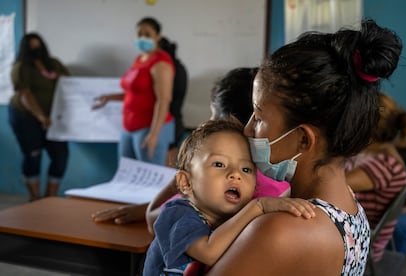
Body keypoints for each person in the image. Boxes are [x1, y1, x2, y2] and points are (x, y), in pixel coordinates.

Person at [207, 19, 402, 275]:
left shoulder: (280, 231)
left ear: (303, 139)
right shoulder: (349, 205)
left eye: (259, 117)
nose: (247, 129)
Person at [91, 67, 277, 226]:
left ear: (230, 123)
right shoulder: (268, 177)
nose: (207, 123)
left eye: (212, 117)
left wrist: (182, 178)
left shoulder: (224, 187)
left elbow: (153, 217)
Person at [143, 119, 315, 275]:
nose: (235, 174)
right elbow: (208, 253)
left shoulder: (233, 220)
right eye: (219, 164)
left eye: (246, 169)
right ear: (186, 182)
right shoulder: (177, 214)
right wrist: (259, 206)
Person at [92, 17, 175, 166]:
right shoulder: (139, 59)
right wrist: (109, 98)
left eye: (147, 34)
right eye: (139, 34)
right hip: (129, 126)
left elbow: (164, 99)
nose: (142, 38)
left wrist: (154, 134)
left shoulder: (161, 62)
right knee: (127, 173)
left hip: (149, 127)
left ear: (158, 36)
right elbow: (134, 93)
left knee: (149, 177)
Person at [345, 92, 406, 262]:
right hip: (354, 233)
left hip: (359, 244)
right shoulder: (379, 154)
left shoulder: (384, 166)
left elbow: (328, 186)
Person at [8, 33, 70, 201]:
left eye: (39, 46)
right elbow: (25, 95)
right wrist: (41, 116)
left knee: (60, 156)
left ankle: (50, 197)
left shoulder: (53, 64)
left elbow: (69, 83)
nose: (37, 50)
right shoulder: (21, 67)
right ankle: (34, 198)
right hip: (25, 116)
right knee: (33, 154)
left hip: (52, 118)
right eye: (32, 47)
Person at [158, 37, 188, 157]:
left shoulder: (168, 70)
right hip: (174, 123)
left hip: (167, 124)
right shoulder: (179, 66)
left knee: (166, 165)